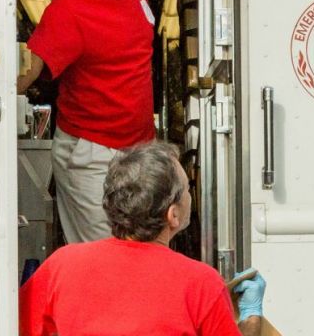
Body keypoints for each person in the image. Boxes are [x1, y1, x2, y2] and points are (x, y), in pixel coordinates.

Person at [17, 0, 156, 243]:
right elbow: (26, 74)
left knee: (141, 252)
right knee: (105, 256)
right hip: (91, 156)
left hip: (139, 150)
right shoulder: (69, 8)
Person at [19, 141, 266, 336]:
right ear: (174, 214)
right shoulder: (202, 283)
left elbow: (16, 326)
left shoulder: (62, 264)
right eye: (187, 189)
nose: (191, 194)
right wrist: (251, 317)